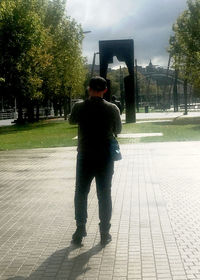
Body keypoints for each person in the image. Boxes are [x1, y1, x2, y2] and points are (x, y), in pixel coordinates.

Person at [69, 76, 122, 246]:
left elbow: (71, 120)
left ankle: (80, 228)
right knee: (104, 194)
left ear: (88, 88)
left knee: (81, 192)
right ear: (105, 90)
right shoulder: (112, 108)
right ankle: (104, 232)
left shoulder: (79, 107)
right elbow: (118, 129)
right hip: (105, 157)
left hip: (85, 155)